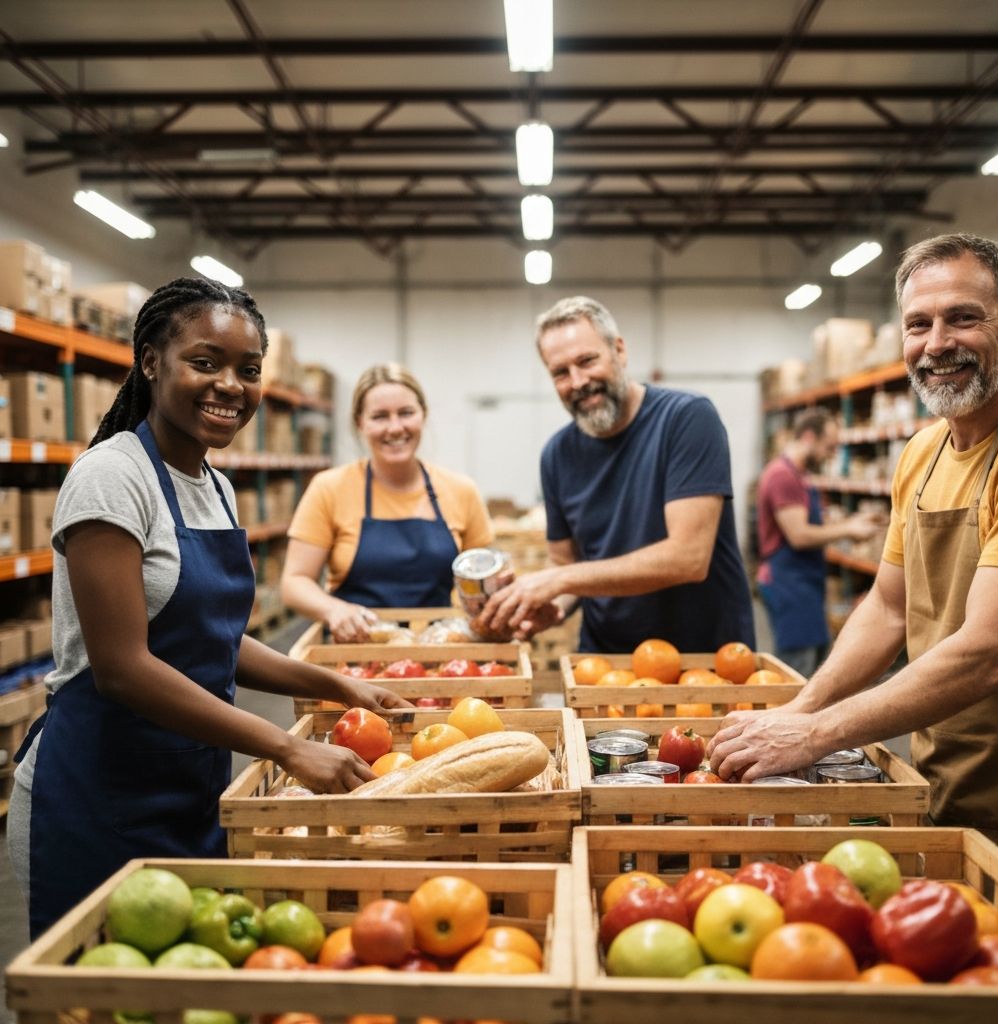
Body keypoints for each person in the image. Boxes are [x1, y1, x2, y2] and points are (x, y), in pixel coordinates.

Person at [7, 278, 412, 938]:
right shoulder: (112, 477)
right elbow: (123, 667)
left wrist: (335, 684)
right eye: (206, 362)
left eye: (248, 370)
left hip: (191, 782)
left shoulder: (217, 486)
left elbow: (209, 639)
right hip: (97, 791)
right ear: (150, 362)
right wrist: (285, 747)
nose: (231, 385)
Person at [709, 233, 998, 860]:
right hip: (942, 779)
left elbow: (995, 651)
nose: (937, 344)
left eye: (963, 317)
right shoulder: (922, 452)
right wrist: (799, 713)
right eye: (918, 324)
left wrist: (817, 733)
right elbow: (886, 608)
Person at [476, 295, 755, 654]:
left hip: (703, 661)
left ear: (619, 351)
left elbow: (688, 557)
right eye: (560, 372)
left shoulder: (686, 419)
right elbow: (565, 562)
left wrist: (558, 580)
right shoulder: (557, 455)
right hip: (604, 663)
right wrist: (553, 608)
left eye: (587, 361)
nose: (577, 381)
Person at [281, 363, 493, 641]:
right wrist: (334, 610)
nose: (395, 428)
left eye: (406, 413)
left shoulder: (461, 490)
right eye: (380, 416)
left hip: (438, 654)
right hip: (355, 655)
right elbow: (294, 582)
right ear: (360, 423)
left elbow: (482, 581)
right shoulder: (329, 488)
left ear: (423, 415)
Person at [757, 406, 881, 677]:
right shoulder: (782, 476)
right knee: (794, 671)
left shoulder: (799, 476)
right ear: (810, 437)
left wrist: (852, 520)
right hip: (788, 584)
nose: (832, 453)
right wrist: (848, 529)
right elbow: (799, 535)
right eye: (829, 446)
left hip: (803, 583)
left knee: (813, 663)